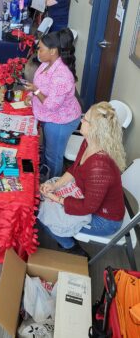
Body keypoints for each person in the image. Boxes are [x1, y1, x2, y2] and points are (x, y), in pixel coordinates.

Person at [39, 101, 126, 256]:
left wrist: (56, 198)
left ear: (94, 128)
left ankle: (71, 247)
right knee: (45, 194)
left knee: (45, 214)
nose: (81, 120)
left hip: (105, 220)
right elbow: (74, 169)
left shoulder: (99, 166)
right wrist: (55, 187)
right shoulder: (89, 142)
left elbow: (88, 208)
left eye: (85, 119)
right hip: (89, 197)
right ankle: (66, 234)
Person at [24, 29, 81, 178]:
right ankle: (44, 172)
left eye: (41, 49)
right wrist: (32, 94)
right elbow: (41, 85)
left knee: (52, 156)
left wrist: (35, 92)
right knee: (46, 149)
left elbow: (51, 105)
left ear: (53, 51)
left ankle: (52, 183)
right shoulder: (46, 63)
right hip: (49, 116)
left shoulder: (62, 75)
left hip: (61, 121)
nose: (38, 51)